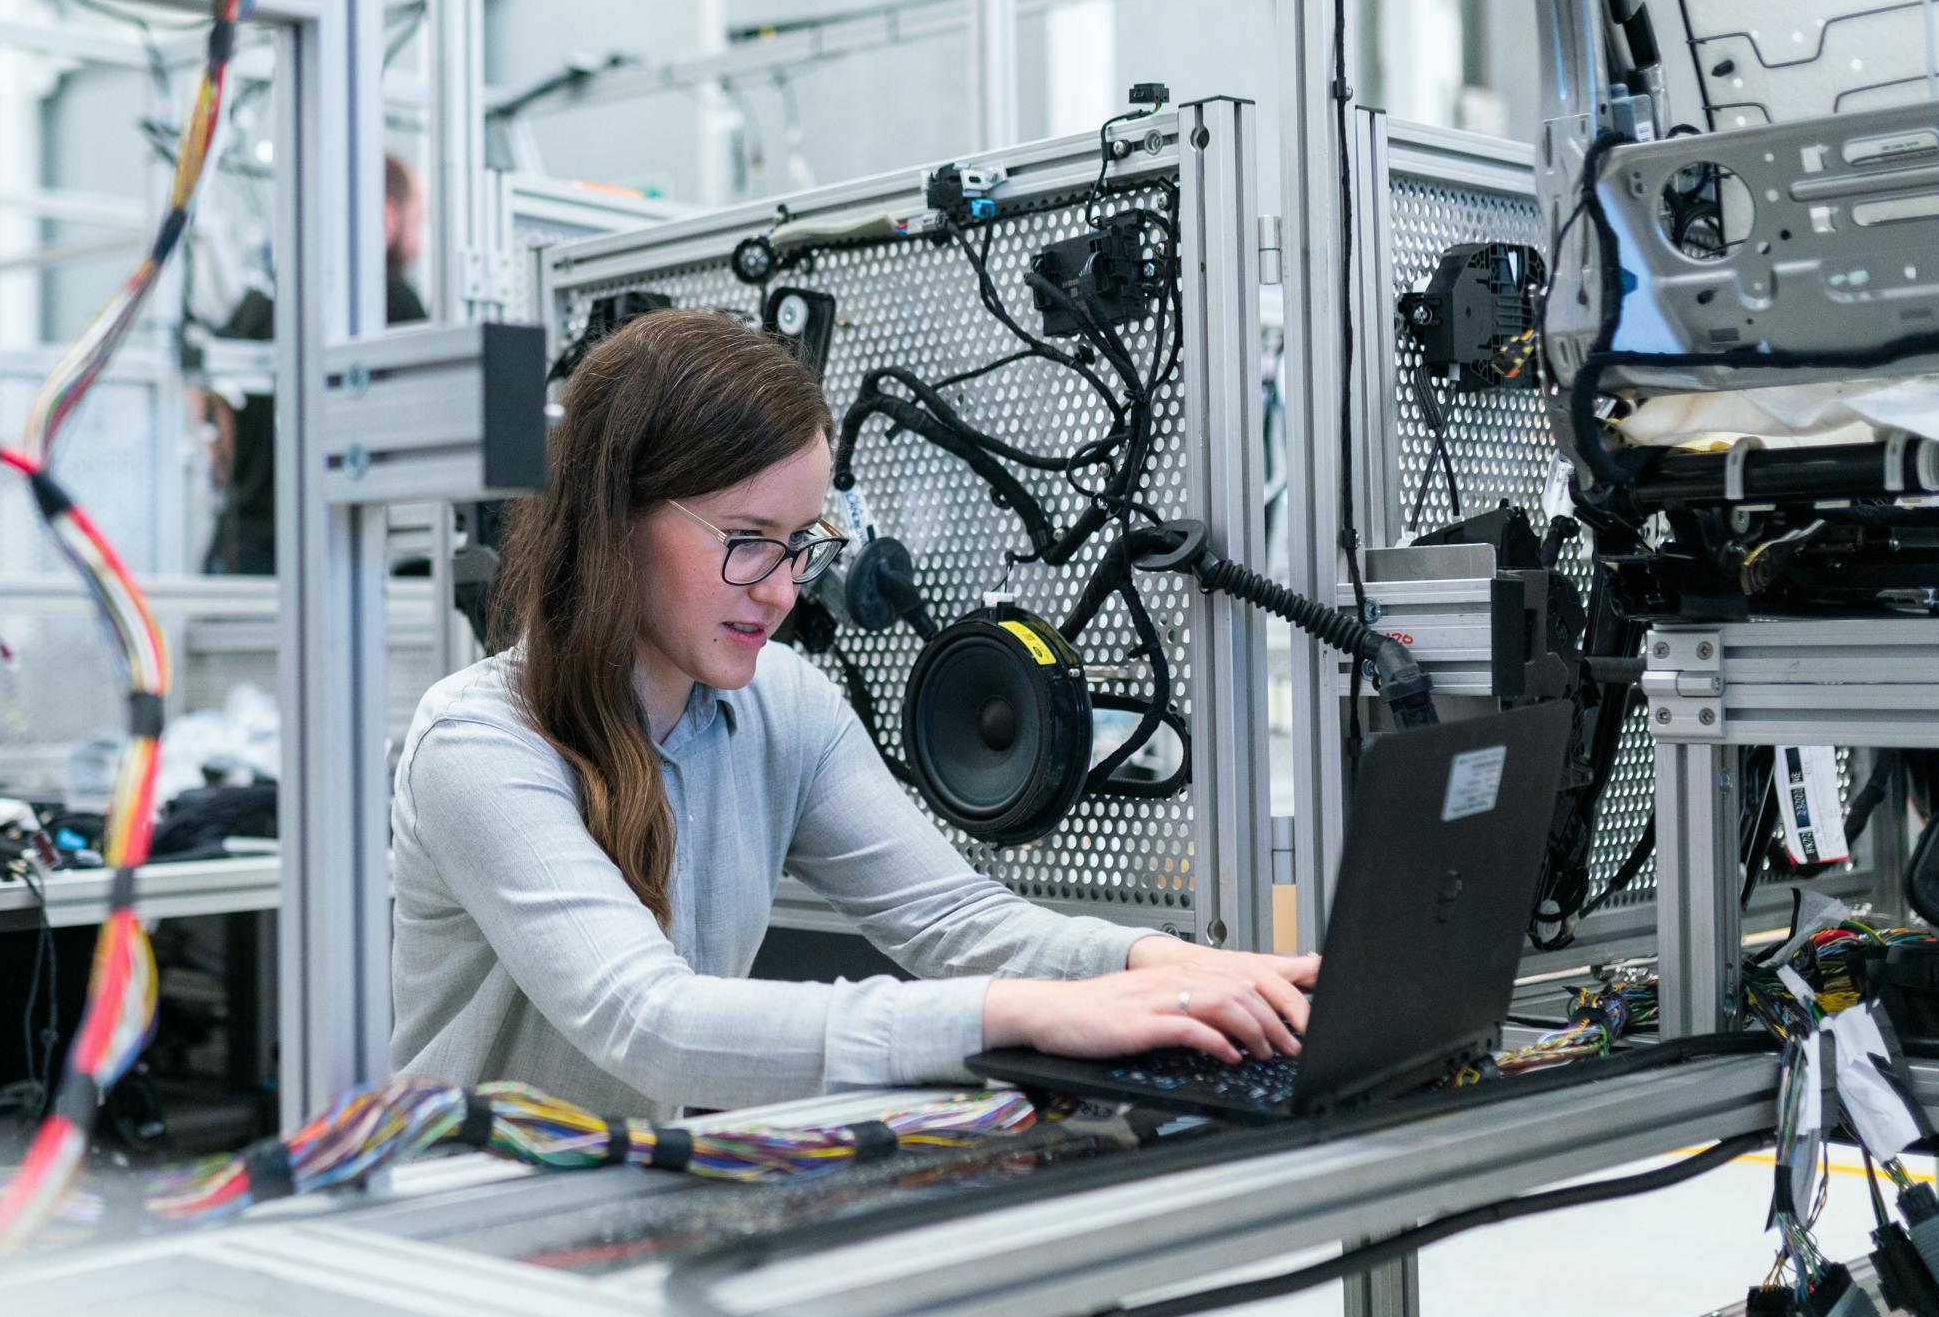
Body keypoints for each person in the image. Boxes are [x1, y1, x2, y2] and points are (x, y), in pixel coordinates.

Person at [390, 307, 1316, 1115]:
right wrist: (1022, 1013)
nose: (785, 591)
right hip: (469, 1241)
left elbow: (957, 919)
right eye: (748, 542)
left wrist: (1166, 965)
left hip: (628, 1205)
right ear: (614, 519)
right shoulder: (481, 742)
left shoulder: (782, 707)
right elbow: (651, 1022)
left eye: (802, 545)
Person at [202, 153, 427, 576]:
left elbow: (212, 419)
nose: (420, 242)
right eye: (419, 220)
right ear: (385, 215)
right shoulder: (391, 299)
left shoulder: (260, 302)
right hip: (329, 556)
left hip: (239, 554)